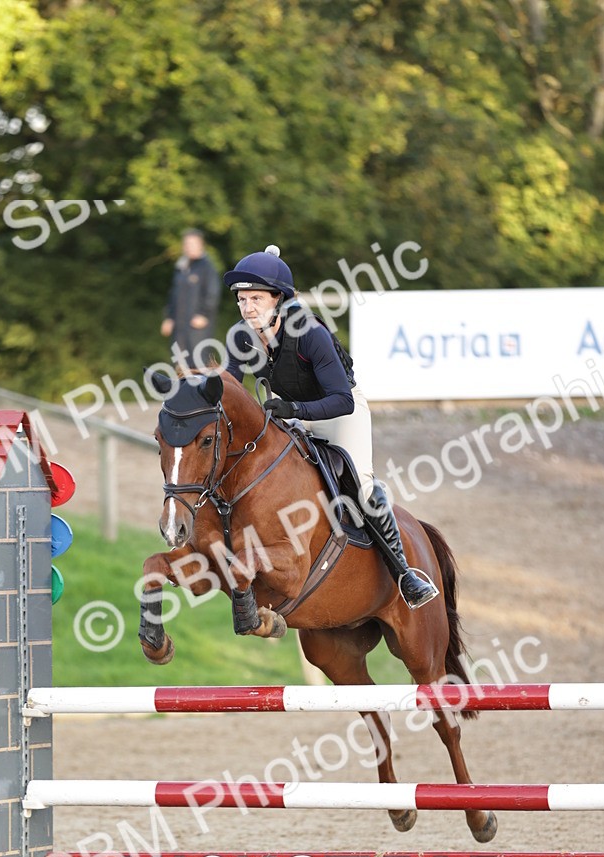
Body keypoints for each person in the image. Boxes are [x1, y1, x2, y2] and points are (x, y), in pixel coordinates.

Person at [222, 245, 439, 609]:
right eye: (242, 300)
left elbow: (343, 399)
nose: (247, 308)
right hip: (290, 413)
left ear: (279, 299)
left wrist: (292, 409)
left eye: (256, 298)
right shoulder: (241, 336)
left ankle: (404, 574)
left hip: (340, 414)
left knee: (364, 488)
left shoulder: (310, 334)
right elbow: (228, 389)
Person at [160, 229, 221, 368]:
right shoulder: (181, 267)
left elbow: (213, 293)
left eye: (193, 243)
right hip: (179, 327)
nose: (189, 247)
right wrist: (169, 317)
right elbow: (173, 295)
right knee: (178, 363)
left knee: (198, 363)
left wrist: (203, 314)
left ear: (201, 245)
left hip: (197, 327)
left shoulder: (207, 267)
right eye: (186, 244)